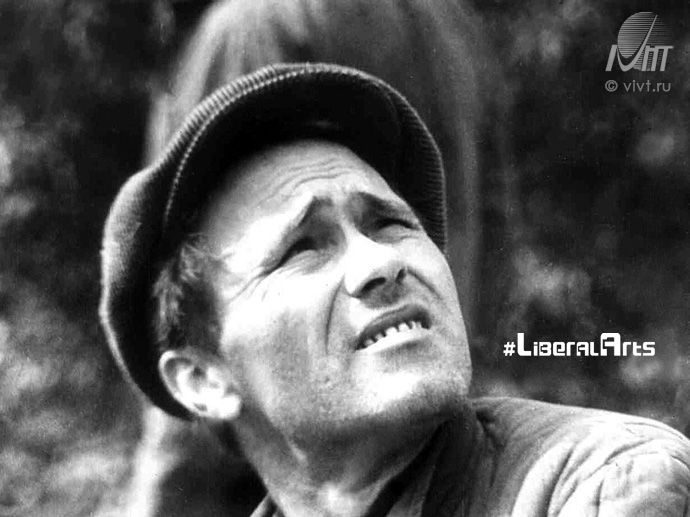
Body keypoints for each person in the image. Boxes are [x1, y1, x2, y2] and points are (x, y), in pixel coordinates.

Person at [100, 62, 690, 516]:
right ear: (204, 381)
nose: (379, 261)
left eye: (390, 223)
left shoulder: (601, 485)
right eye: (303, 248)